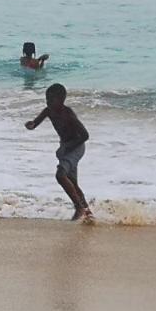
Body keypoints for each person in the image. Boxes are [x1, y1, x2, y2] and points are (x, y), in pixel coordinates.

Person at [25, 83, 92, 222]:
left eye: (51, 99)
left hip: (77, 146)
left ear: (61, 100)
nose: (47, 102)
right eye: (46, 99)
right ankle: (88, 213)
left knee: (60, 174)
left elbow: (85, 135)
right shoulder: (48, 111)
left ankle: (78, 207)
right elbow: (35, 123)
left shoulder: (68, 114)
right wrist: (31, 125)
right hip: (65, 147)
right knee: (72, 182)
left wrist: (69, 147)